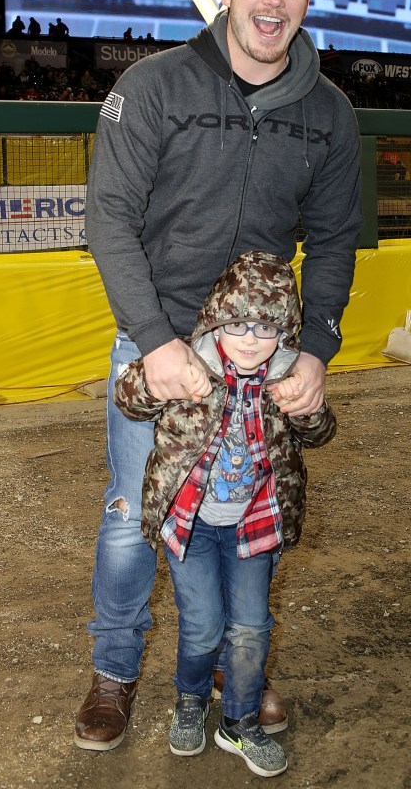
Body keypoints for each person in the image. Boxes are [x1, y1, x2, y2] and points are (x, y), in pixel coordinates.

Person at [78, 0, 363, 752]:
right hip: (158, 342)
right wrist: (156, 341)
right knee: (136, 514)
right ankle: (114, 671)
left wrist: (315, 349)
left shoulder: (329, 112)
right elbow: (110, 218)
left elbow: (339, 237)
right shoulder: (156, 84)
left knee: (247, 514)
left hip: (258, 360)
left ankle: (233, 670)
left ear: (305, 1)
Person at [113, 251, 338, 775]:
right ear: (215, 318)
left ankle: (238, 721)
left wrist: (309, 409)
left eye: (266, 327)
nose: (250, 339)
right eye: (236, 323)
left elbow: (322, 434)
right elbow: (130, 398)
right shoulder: (192, 367)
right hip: (190, 526)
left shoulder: (285, 380)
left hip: (254, 527)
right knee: (203, 628)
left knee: (252, 627)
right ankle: (190, 701)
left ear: (285, 330)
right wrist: (152, 380)